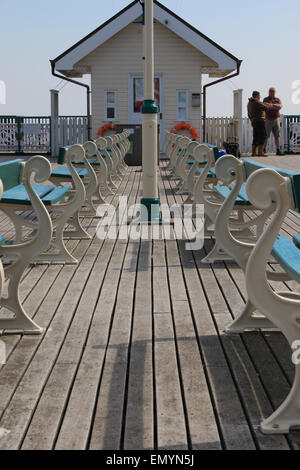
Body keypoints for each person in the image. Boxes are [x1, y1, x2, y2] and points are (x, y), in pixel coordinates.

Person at [247, 91, 275, 157]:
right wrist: (270, 104)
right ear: (257, 96)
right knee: (262, 136)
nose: (260, 97)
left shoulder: (249, 103)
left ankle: (253, 153)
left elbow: (249, 113)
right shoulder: (256, 102)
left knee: (256, 137)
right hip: (259, 121)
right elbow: (265, 108)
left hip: (254, 121)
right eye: (259, 95)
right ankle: (260, 152)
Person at [263, 87, 284, 155]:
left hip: (276, 119)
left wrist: (272, 105)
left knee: (277, 136)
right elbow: (266, 106)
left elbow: (280, 106)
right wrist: (275, 107)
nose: (273, 93)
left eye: (274, 92)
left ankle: (278, 150)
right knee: (266, 136)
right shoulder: (265, 99)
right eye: (271, 92)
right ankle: (263, 149)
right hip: (268, 119)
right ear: (269, 92)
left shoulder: (277, 99)